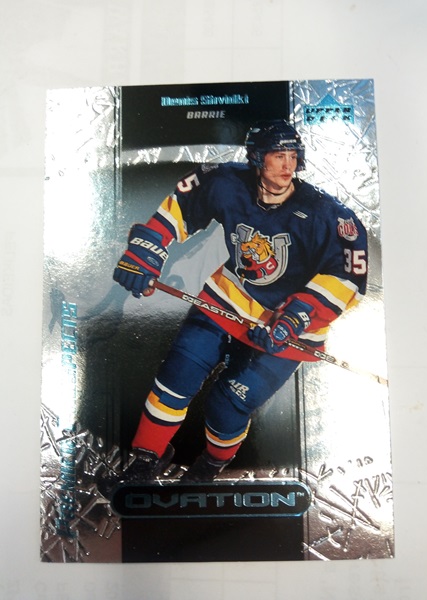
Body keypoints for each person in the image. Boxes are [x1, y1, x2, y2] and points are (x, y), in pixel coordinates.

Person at [111, 119, 368, 484]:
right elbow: (180, 207)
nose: (288, 165)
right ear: (257, 158)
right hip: (228, 300)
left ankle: (211, 464)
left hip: (289, 329)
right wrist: (146, 250)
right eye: (278, 156)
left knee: (227, 404)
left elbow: (347, 280)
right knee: (176, 377)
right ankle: (146, 459)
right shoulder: (227, 181)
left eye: (293, 156)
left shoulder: (328, 215)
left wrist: (295, 317)